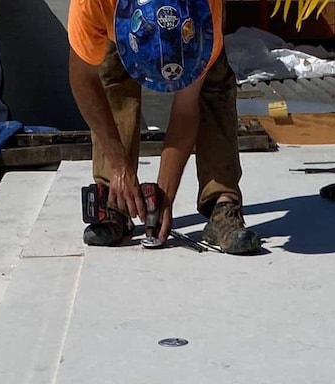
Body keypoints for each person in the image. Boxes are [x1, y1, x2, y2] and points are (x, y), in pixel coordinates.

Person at [67, 0, 262, 254]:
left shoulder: (206, 13)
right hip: (114, 22)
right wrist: (118, 166)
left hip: (197, 30)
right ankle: (115, 198)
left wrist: (164, 196)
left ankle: (221, 202)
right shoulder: (91, 4)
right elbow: (82, 78)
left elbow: (186, 108)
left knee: (213, 82)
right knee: (112, 73)